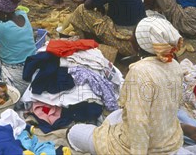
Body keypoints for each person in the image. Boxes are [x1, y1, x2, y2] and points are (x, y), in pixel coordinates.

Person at [67, 15, 185, 155]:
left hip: (144, 148)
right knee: (115, 115)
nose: (130, 38)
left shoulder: (140, 72)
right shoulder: (174, 65)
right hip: (170, 142)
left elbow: (138, 123)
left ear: (143, 43)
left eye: (134, 36)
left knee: (73, 132)